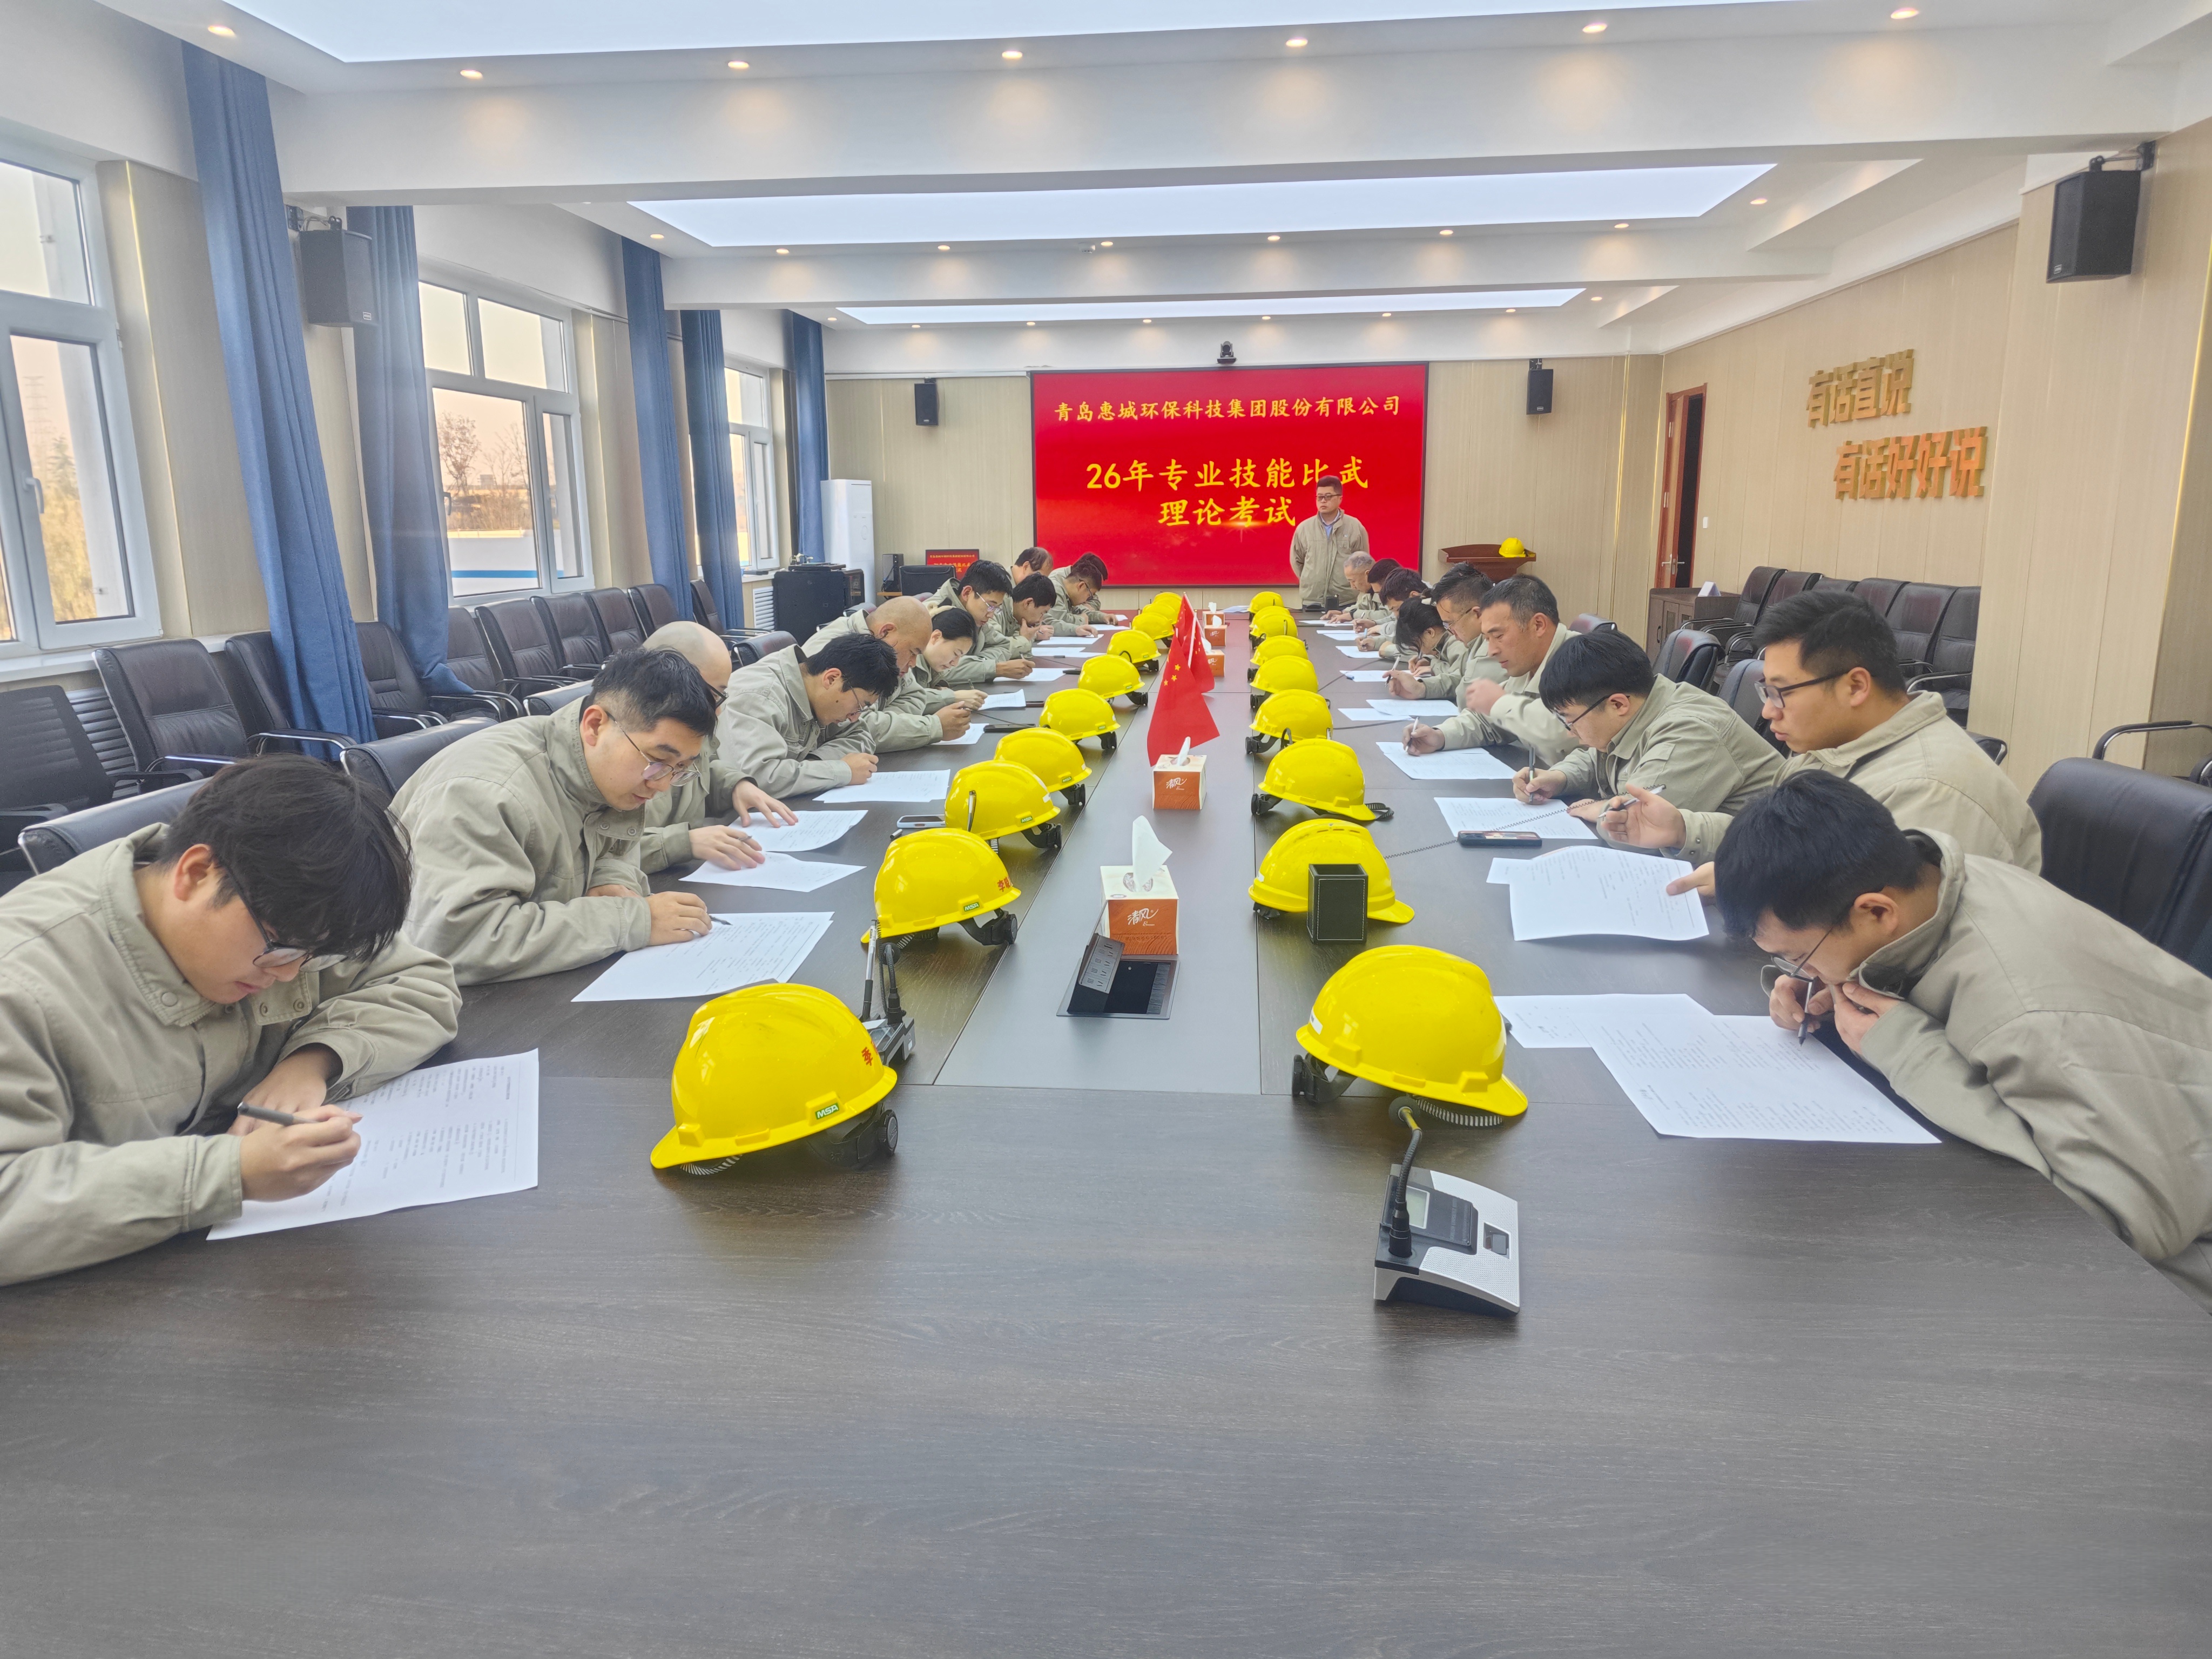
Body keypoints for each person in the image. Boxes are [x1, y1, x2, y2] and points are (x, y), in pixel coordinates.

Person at [1719, 773, 2212, 1313]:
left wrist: (1910, 1052)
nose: (1799, 970)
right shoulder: (1932, 881)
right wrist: (1825, 982)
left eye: (1800, 956)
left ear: (1877, 911)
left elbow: (2112, 1227)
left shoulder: (2031, 1012)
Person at [0, 756, 462, 1285]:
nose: (289, 974)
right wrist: (230, 1173)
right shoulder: (22, 985)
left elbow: (422, 982)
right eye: (280, 949)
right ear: (197, 873)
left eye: (312, 957)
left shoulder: (287, 919)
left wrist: (311, 1062)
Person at [1603, 589, 2042, 895]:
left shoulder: (1931, 790)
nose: (1768, 712)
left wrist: (1755, 885)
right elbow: (1784, 846)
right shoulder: (1831, 749)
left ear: (1855, 686)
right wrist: (1684, 828)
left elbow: (1887, 929)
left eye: (1781, 693)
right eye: (1765, 692)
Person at [395, 648, 724, 984]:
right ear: (594, 725)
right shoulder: (485, 792)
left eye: (680, 768)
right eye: (658, 760)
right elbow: (456, 941)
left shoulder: (609, 767)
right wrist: (629, 921)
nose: (663, 784)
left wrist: (610, 879)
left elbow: (613, 847)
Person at [1519, 627, 1784, 838]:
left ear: (1618, 704)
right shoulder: (1639, 709)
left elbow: (1640, 826)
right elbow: (1599, 755)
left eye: (1570, 720)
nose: (1570, 733)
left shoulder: (1690, 731)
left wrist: (1603, 809)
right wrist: (1560, 777)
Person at [633, 622, 794, 876]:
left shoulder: (685, 724)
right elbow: (603, 854)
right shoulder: (624, 742)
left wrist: (734, 786)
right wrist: (683, 843)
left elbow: (703, 770)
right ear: (670, 678)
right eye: (714, 694)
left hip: (673, 874)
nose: (718, 710)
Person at [1403, 575, 1576, 767]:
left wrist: (1500, 703)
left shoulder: (1584, 661)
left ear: (1538, 625)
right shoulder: (1528, 663)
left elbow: (1565, 732)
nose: (1492, 651)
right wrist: (1440, 736)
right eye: (1487, 639)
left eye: (1499, 636)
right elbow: (1488, 721)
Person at [718, 631, 901, 799]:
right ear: (831, 679)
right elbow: (758, 779)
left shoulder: (818, 693)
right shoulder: (758, 697)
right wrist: (841, 771)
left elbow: (861, 735)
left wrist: (815, 764)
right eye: (859, 705)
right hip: (727, 817)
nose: (855, 717)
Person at [803, 595, 977, 750]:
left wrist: (886, 722)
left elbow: (915, 696)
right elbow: (851, 726)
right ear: (886, 631)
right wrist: (931, 727)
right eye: (913, 652)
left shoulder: (889, 647)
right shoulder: (836, 649)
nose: (913, 663)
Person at [1385, 567, 1497, 702]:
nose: (1450, 631)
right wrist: (1422, 688)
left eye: (1451, 623)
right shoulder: (1474, 642)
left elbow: (1466, 697)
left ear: (1477, 614)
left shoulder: (1492, 648)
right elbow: (1460, 678)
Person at [928, 559, 1031, 685]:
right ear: (967, 593)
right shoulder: (935, 615)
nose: (991, 615)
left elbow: (1002, 645)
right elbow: (940, 669)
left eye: (996, 608)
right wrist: (995, 668)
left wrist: (978, 663)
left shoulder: (975, 616)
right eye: (990, 606)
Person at [1287, 474, 1366, 611]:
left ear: (1340, 499)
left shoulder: (1355, 527)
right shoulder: (1304, 528)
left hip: (1345, 602)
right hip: (1312, 602)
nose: (1323, 501)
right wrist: (1311, 581)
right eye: (1320, 497)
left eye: (1328, 497)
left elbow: (1362, 562)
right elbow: (1297, 561)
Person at [1048, 552, 1111, 634]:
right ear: (1081, 586)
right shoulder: (1056, 588)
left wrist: (1101, 617)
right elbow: (1058, 620)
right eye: (1089, 595)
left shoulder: (1071, 590)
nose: (1086, 601)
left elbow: (1077, 611)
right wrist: (1081, 620)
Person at [1322, 552, 1377, 624]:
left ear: (1368, 574)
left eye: (1353, 581)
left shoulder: (1385, 587)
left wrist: (1353, 615)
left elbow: (1386, 614)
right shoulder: (1367, 590)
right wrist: (1344, 613)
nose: (1352, 587)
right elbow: (1363, 606)